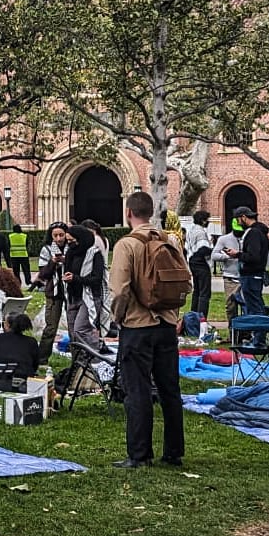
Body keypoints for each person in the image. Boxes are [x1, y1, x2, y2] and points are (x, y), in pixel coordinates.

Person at [108, 191, 187, 469]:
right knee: (169, 389)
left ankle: (139, 454)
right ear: (151, 212)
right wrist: (174, 314)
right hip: (166, 325)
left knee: (137, 390)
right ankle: (174, 451)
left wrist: (118, 318)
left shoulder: (126, 245)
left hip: (138, 326)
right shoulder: (170, 240)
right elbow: (182, 281)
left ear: (128, 212)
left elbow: (119, 290)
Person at [61, 223, 106, 353]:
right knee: (73, 333)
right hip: (73, 296)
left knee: (80, 329)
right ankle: (78, 362)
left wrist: (76, 278)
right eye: (68, 241)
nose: (69, 244)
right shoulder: (70, 253)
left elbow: (97, 279)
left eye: (72, 241)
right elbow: (68, 271)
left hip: (89, 296)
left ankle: (95, 354)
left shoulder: (94, 254)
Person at [35, 223, 70, 362]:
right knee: (50, 327)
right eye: (55, 235)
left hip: (70, 291)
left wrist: (66, 261)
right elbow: (43, 273)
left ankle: (77, 356)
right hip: (54, 292)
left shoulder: (72, 247)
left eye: (61, 235)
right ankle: (42, 358)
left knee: (74, 327)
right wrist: (53, 262)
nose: (59, 238)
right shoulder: (46, 249)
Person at [0, 311, 39, 377]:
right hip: (23, 378)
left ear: (7, 324)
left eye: (4, 321)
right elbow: (35, 364)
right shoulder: (31, 342)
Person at [235, 207, 269, 315]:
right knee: (256, 304)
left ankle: (259, 330)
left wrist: (237, 254)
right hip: (255, 274)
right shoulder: (260, 232)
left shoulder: (253, 233)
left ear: (244, 217)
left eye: (238, 220)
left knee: (254, 307)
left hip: (251, 275)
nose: (238, 223)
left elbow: (253, 256)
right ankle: (260, 328)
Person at [186, 210, 214, 319]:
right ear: (203, 221)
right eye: (207, 220)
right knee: (204, 293)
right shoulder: (201, 232)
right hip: (201, 263)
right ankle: (201, 319)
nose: (208, 222)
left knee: (197, 291)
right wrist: (213, 249)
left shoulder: (191, 230)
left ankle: (193, 316)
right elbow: (203, 249)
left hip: (192, 261)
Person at [215, 222, 243, 314]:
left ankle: (246, 327)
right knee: (231, 306)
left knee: (247, 306)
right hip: (230, 277)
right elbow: (214, 255)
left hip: (245, 277)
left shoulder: (248, 237)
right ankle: (232, 326)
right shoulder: (224, 239)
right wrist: (227, 256)